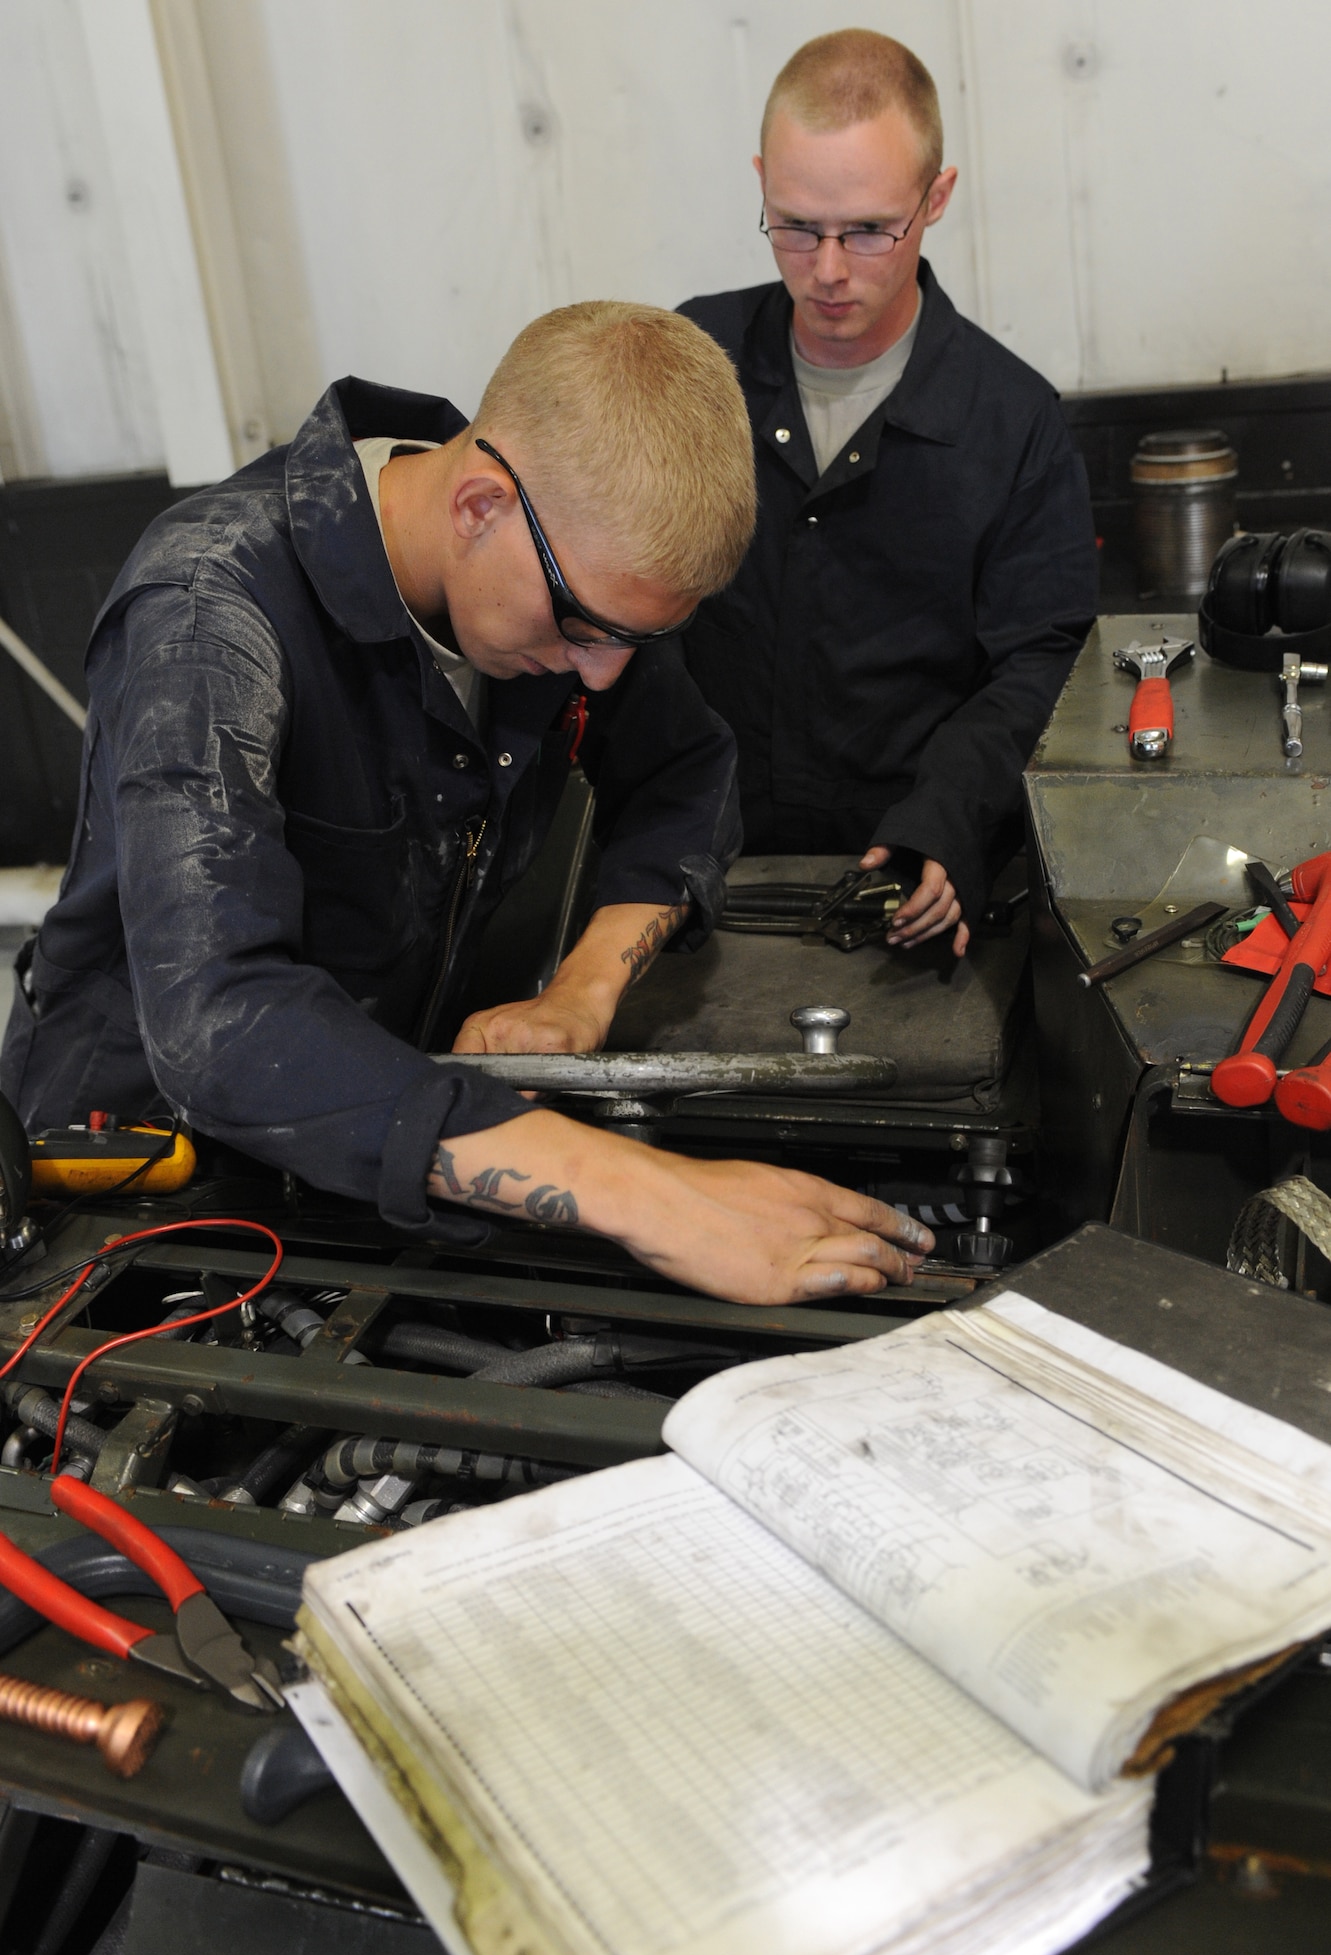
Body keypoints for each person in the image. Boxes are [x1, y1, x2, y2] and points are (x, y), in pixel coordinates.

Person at [1, 301, 930, 1303]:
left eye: (634, 642)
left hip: (378, 1136)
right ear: (479, 502)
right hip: (126, 1189)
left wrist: (582, 993)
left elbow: (685, 770)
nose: (602, 674)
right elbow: (220, 1019)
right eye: (583, 627)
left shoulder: (557, 572)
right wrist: (653, 1196)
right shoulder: (208, 609)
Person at [678, 29, 1097, 956]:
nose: (827, 271)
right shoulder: (689, 367)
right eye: (794, 225)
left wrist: (947, 817)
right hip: (692, 876)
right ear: (760, 180)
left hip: (905, 882)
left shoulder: (1011, 421)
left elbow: (1039, 662)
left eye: (869, 230)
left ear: (935, 197)